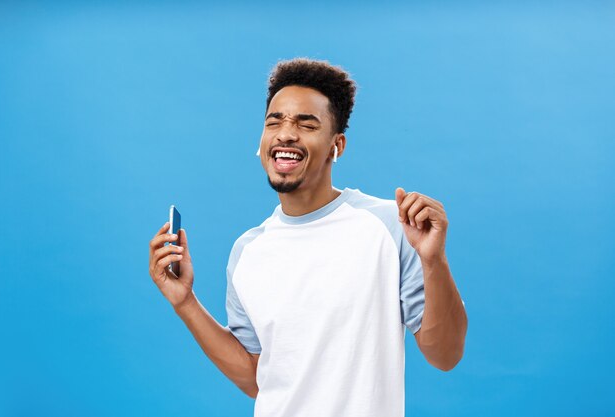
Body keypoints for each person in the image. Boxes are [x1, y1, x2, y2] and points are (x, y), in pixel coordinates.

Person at [148, 58, 468, 417]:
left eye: (306, 123)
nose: (286, 133)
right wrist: (185, 302)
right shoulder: (248, 251)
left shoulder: (390, 226)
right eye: (274, 122)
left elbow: (446, 354)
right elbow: (257, 378)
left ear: (337, 145)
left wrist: (433, 261)